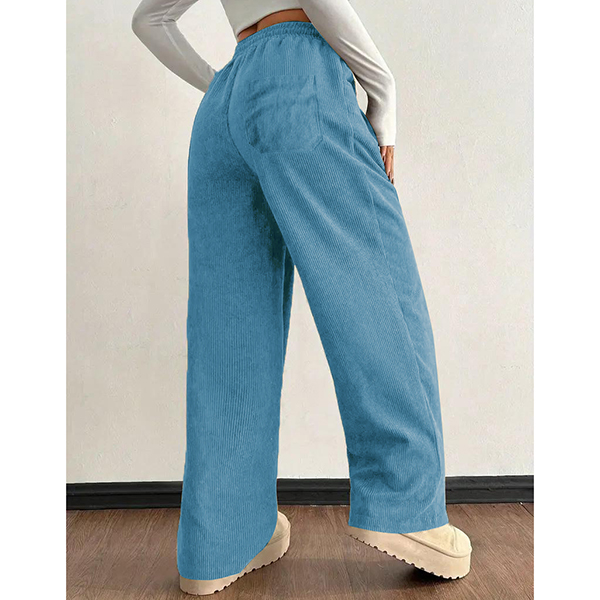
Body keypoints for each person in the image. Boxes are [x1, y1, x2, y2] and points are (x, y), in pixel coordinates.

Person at [131, 0, 472, 595]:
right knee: (377, 285)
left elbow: (149, 20)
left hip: (224, 107)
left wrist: (224, 86)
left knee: (229, 328)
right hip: (300, 76)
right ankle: (407, 507)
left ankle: (222, 540)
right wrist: (383, 89)